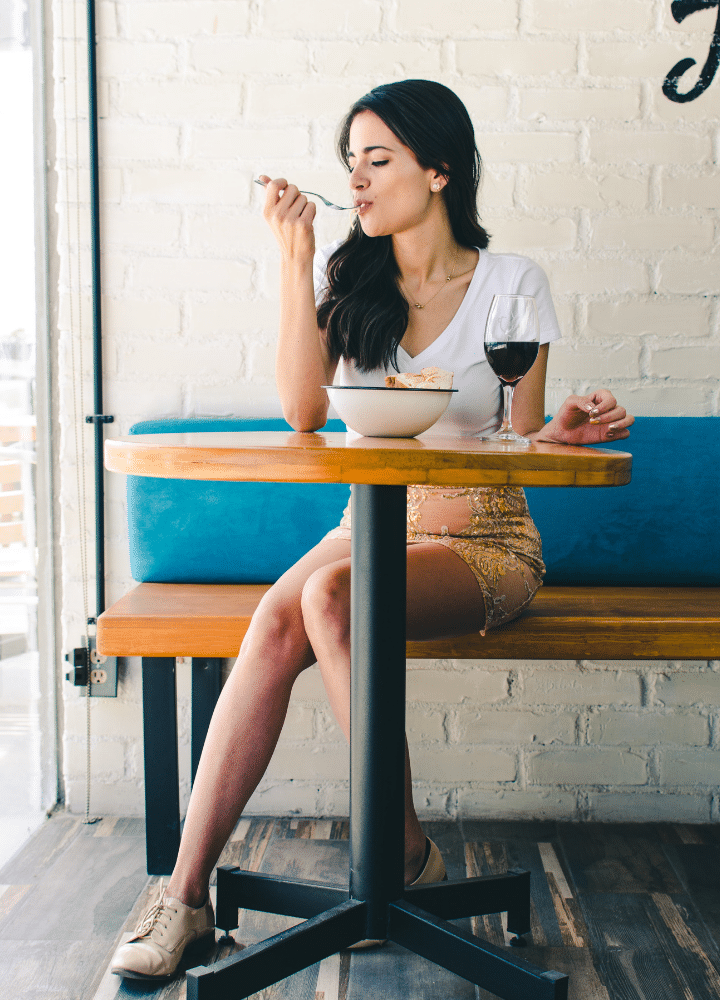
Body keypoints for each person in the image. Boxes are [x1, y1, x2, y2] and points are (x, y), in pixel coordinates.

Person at [111, 79, 633, 981]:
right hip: (364, 528)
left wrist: (559, 434)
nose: (355, 179)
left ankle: (390, 862)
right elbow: (303, 411)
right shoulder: (355, 282)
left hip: (484, 540)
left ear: (437, 170)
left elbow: (514, 437)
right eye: (348, 162)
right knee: (280, 618)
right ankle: (184, 896)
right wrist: (293, 256)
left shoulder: (512, 285)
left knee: (327, 594)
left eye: (377, 159)